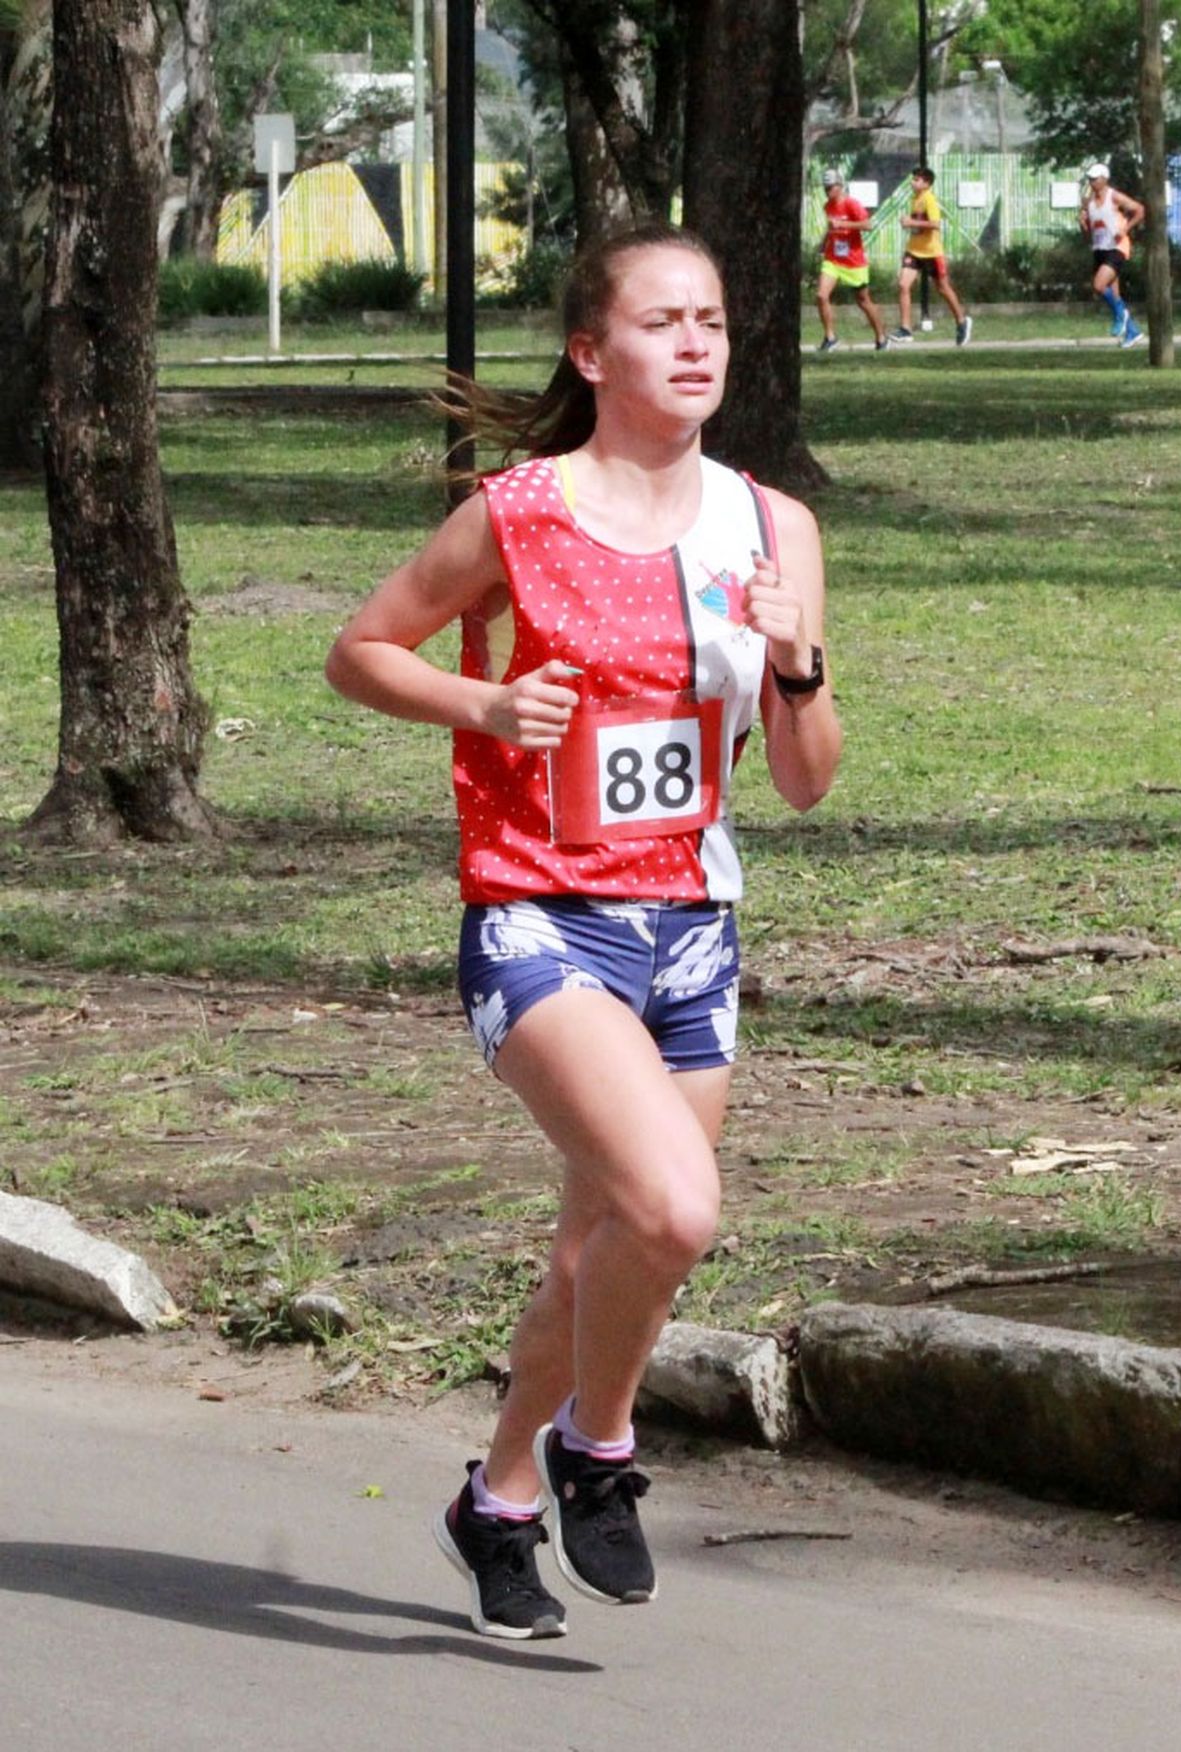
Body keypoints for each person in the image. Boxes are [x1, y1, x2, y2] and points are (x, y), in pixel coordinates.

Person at [324, 222, 843, 1641]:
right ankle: (597, 1452)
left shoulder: (772, 524)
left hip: (693, 926)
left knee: (597, 1248)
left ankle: (493, 1507)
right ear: (590, 350)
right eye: (663, 320)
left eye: (715, 322)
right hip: (539, 916)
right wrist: (486, 707)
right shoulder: (520, 513)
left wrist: (799, 665)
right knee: (673, 1211)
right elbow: (360, 650)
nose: (695, 345)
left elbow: (804, 779)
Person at [891, 165, 973, 346]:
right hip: (914, 250)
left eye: (917, 179)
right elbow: (919, 225)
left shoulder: (929, 199)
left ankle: (961, 321)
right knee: (903, 285)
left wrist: (911, 221)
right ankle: (905, 329)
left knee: (943, 288)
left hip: (931, 252)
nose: (913, 182)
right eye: (913, 178)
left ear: (927, 183)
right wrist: (910, 224)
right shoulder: (915, 198)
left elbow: (935, 224)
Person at [815, 167, 889, 353]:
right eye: (825, 188)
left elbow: (867, 224)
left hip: (853, 261)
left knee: (863, 300)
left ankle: (881, 337)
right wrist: (823, 244)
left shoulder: (851, 204)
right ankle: (830, 337)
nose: (828, 191)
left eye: (830, 187)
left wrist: (843, 224)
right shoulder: (828, 206)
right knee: (821, 296)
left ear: (840, 186)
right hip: (833, 259)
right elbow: (831, 228)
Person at [1079, 162, 1145, 349]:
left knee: (1098, 286)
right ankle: (1133, 332)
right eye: (1089, 179)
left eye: (1095, 178)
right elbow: (1088, 233)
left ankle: (1121, 316)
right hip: (1100, 249)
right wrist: (1083, 224)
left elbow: (1140, 210)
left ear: (1104, 179)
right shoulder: (1089, 202)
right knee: (1114, 295)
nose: (1091, 182)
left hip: (1117, 248)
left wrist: (1126, 228)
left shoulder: (1114, 196)